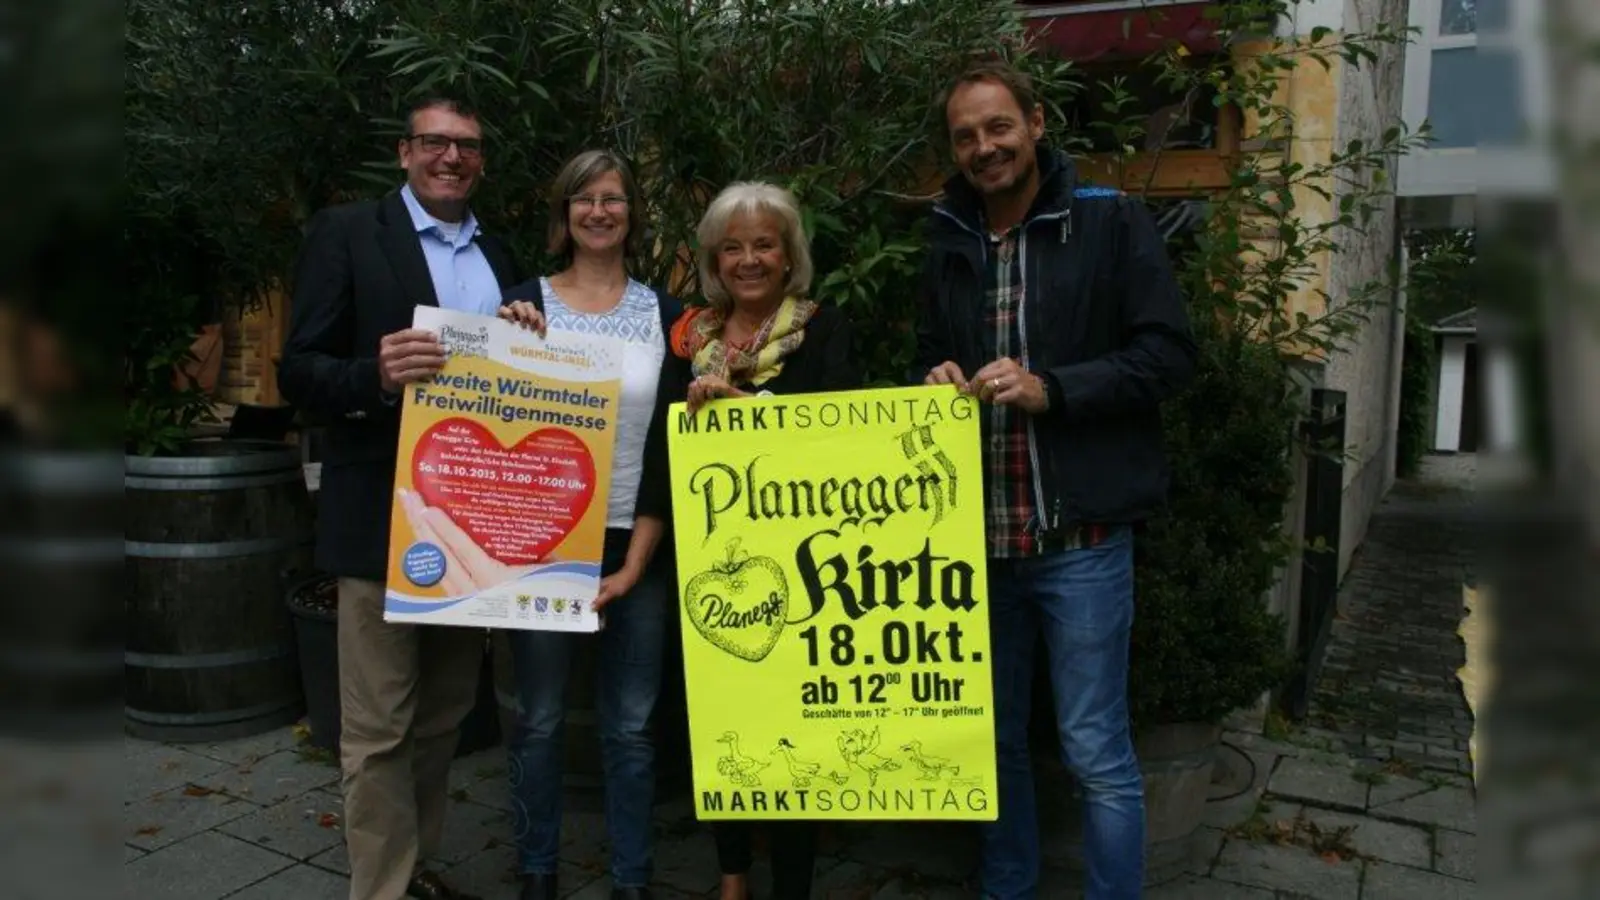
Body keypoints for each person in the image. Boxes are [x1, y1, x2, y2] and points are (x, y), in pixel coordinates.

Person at [915, 61, 1197, 900]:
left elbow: (1170, 356)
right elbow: (925, 352)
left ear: (1036, 123)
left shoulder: (1110, 222)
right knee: (993, 744)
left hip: (1082, 539)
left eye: (998, 127)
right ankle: (1008, 890)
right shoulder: (947, 237)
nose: (984, 147)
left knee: (1095, 751)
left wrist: (1057, 389)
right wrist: (931, 378)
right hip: (980, 541)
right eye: (965, 135)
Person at [279, 93, 523, 900]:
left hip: (473, 528)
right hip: (384, 519)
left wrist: (532, 334)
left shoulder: (503, 255)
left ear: (481, 160)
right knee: (379, 724)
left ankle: (413, 869)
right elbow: (299, 370)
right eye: (435, 143)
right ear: (404, 152)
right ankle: (379, 890)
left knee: (446, 715)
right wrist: (375, 377)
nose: (452, 157)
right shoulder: (349, 232)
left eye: (468, 146)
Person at [642, 181, 861, 900]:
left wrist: (748, 412)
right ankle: (732, 875)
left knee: (792, 729)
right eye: (731, 247)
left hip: (800, 575)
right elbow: (658, 456)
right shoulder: (690, 341)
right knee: (719, 725)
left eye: (764, 243)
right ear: (712, 257)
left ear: (789, 252)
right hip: (708, 566)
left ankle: (792, 885)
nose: (748, 260)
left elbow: (845, 440)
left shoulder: (825, 331)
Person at [495, 150, 680, 900]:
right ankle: (537, 870)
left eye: (613, 199)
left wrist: (638, 559)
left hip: (637, 538)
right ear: (563, 213)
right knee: (538, 719)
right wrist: (506, 341)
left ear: (633, 214)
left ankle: (631, 878)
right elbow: (492, 422)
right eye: (584, 199)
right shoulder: (522, 304)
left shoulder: (668, 315)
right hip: (542, 539)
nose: (599, 212)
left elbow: (672, 445)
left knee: (631, 729)